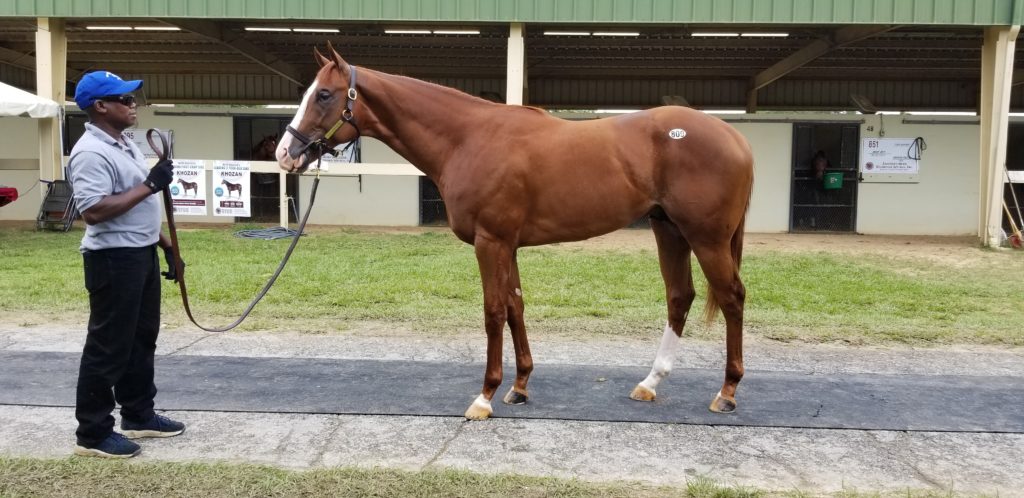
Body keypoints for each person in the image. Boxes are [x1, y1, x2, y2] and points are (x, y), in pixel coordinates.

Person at [67, 70, 185, 458]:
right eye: (123, 99)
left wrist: (167, 247)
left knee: (141, 339)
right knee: (108, 346)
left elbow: (140, 208)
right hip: (113, 260)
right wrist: (150, 184)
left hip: (141, 255)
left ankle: (139, 414)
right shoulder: (90, 152)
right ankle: (93, 432)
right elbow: (95, 211)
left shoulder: (123, 144)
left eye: (132, 98)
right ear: (100, 106)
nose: (132, 104)